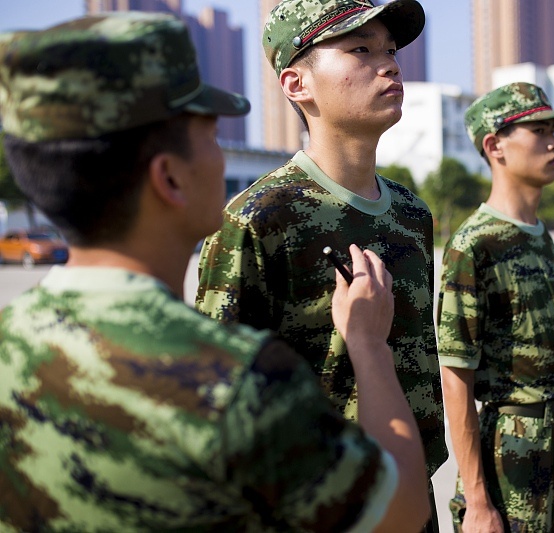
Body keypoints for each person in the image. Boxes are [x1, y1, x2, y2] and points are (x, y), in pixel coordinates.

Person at [0, 12, 430, 532]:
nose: (388, 65)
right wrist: (369, 347)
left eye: (391, 51)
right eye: (210, 137)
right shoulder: (230, 377)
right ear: (170, 177)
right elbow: (399, 510)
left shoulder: (13, 343)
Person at [194, 0, 447, 527]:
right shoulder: (258, 220)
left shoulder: (411, 214)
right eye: (360, 49)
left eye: (391, 50)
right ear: (296, 84)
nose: (390, 65)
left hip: (410, 499)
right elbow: (216, 410)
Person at [437, 82, 554, 532]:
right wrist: (479, 501)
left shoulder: (539, 233)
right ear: (494, 145)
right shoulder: (474, 245)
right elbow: (455, 375)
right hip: (514, 451)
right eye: (538, 131)